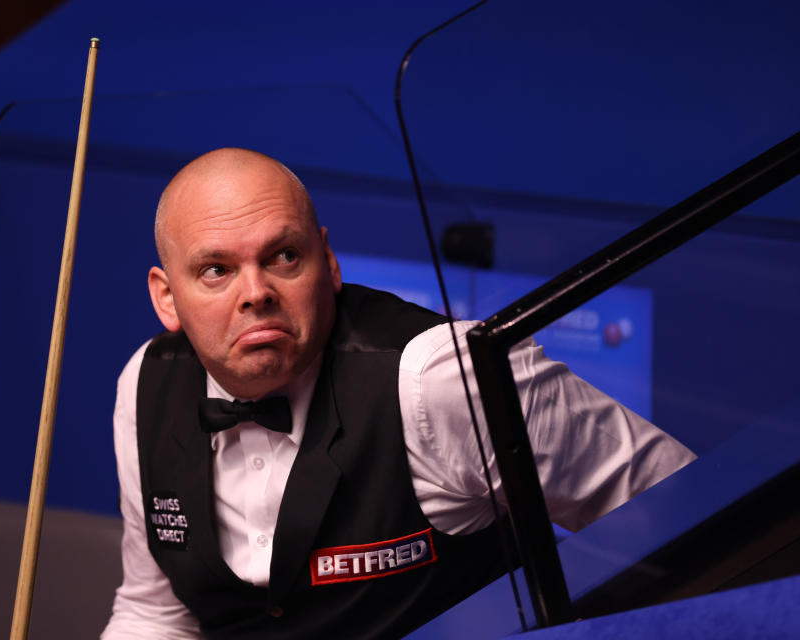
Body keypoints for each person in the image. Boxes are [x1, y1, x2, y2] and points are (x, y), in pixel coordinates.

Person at [101, 148, 695, 639]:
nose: (255, 292)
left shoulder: (441, 379)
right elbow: (157, 613)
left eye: (284, 256)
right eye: (216, 270)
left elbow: (684, 510)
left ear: (328, 262)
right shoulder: (145, 388)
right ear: (167, 299)